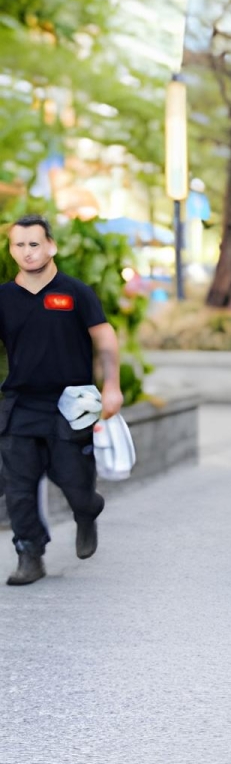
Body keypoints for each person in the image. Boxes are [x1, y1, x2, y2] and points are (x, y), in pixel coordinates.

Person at [0, 215, 120, 586]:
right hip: (20, 403)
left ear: (51, 246)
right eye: (18, 245)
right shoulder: (3, 298)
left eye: (34, 243)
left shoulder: (75, 292)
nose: (27, 251)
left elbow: (104, 338)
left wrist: (112, 385)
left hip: (71, 404)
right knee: (17, 487)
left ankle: (87, 511)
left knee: (73, 480)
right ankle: (29, 553)